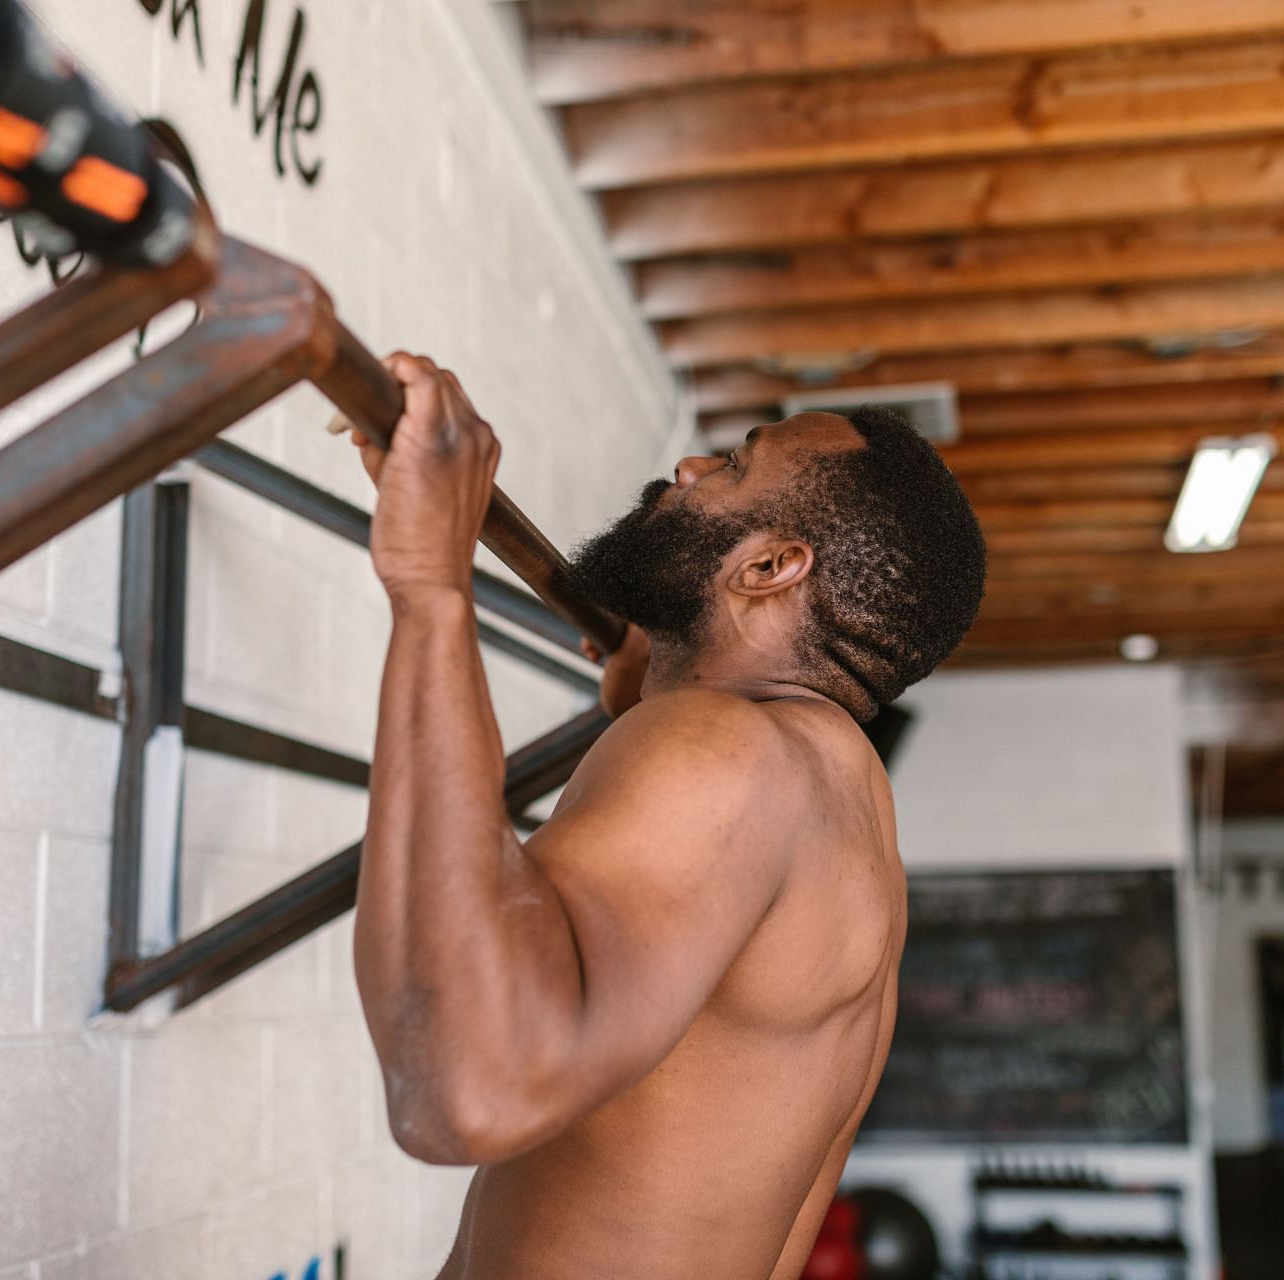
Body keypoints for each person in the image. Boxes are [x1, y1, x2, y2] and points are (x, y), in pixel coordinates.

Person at [345, 354, 986, 1280]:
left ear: (770, 566)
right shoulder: (841, 796)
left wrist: (429, 583)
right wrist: (660, 686)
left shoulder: (727, 752)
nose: (686, 469)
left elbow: (464, 1085)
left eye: (731, 466)